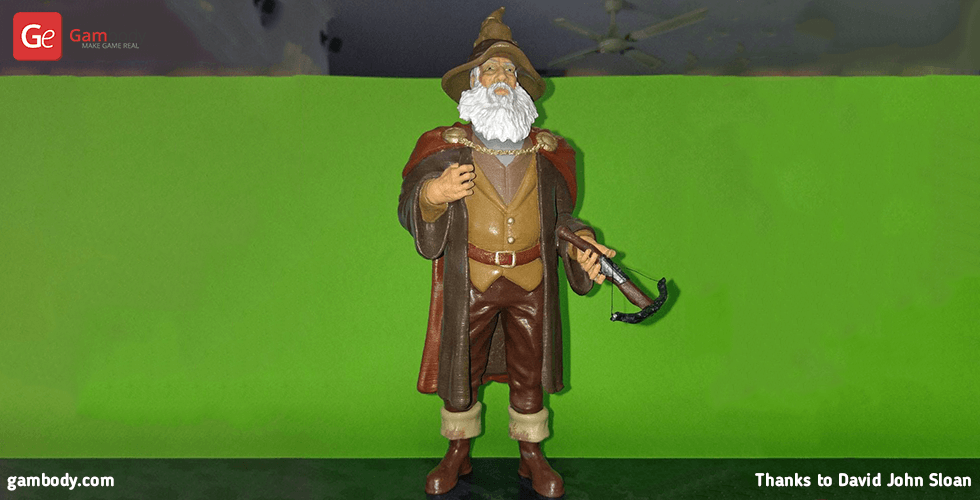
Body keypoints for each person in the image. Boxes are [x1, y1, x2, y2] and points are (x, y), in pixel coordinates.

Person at [398, 7, 615, 498]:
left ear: (522, 88)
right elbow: (411, 202)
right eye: (492, 69)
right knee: (462, 366)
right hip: (472, 278)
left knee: (529, 368)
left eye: (511, 72)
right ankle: (457, 450)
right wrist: (433, 195)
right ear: (472, 83)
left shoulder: (548, 153)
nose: (502, 78)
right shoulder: (443, 147)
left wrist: (581, 243)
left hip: (530, 279)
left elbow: (562, 219)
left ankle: (531, 454)